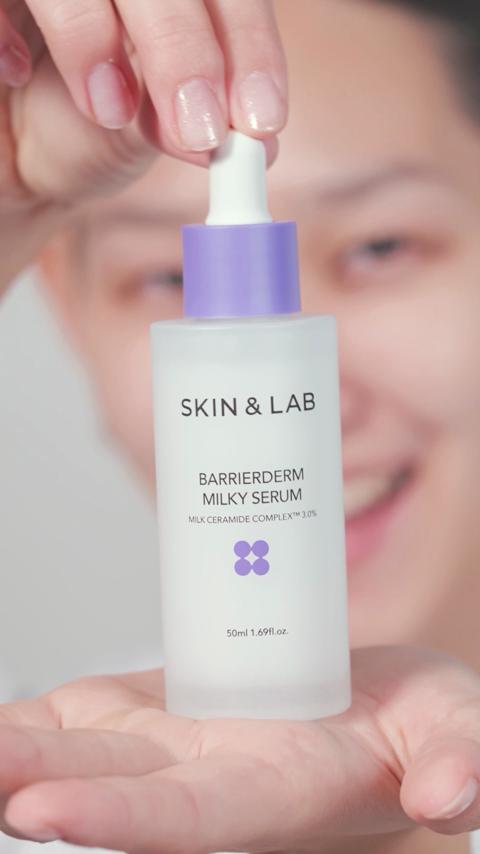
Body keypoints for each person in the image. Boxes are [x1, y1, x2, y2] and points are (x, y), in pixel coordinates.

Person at [1, 0, 480, 852]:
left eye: (382, 246)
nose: (320, 415)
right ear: (70, 315)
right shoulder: (49, 779)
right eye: (165, 276)